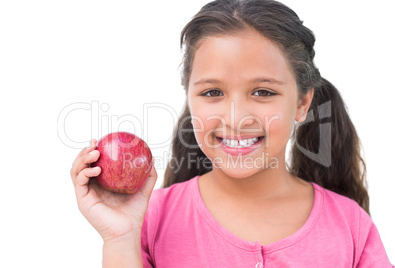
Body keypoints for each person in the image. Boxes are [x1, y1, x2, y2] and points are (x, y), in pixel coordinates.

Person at [70, 0, 394, 267]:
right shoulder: (149, 220)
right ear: (189, 99)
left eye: (263, 92)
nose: (236, 117)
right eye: (212, 93)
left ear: (303, 103)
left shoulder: (351, 227)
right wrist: (120, 239)